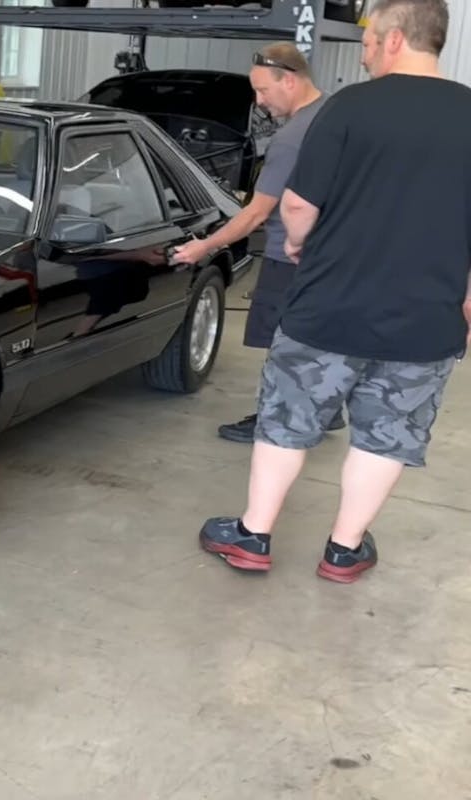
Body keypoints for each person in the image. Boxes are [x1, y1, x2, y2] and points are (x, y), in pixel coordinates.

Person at [199, 0, 471, 583]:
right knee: (385, 434)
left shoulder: (349, 107)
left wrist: (299, 244)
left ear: (395, 38)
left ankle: (254, 535)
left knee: (287, 420)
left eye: (370, 38)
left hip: (328, 307)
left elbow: (297, 205)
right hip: (424, 322)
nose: (365, 49)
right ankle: (345, 550)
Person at [172, 42, 344, 444]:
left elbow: (255, 214)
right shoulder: (335, 113)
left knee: (283, 344)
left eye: (263, 91)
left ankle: (274, 420)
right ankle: (327, 410)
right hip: (334, 255)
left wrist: (205, 246)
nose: (259, 101)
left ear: (290, 79)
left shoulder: (291, 139)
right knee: (319, 337)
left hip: (292, 256)